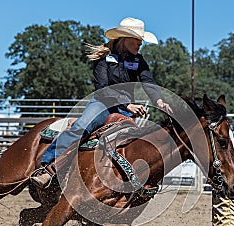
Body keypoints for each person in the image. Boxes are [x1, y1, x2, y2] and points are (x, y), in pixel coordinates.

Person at [31, 17, 173, 187]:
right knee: (81, 126)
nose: (140, 43)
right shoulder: (104, 59)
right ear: (124, 38)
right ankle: (47, 167)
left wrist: (159, 101)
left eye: (140, 40)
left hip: (126, 111)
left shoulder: (138, 61)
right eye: (136, 39)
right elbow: (103, 89)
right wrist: (127, 105)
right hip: (103, 105)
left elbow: (148, 82)